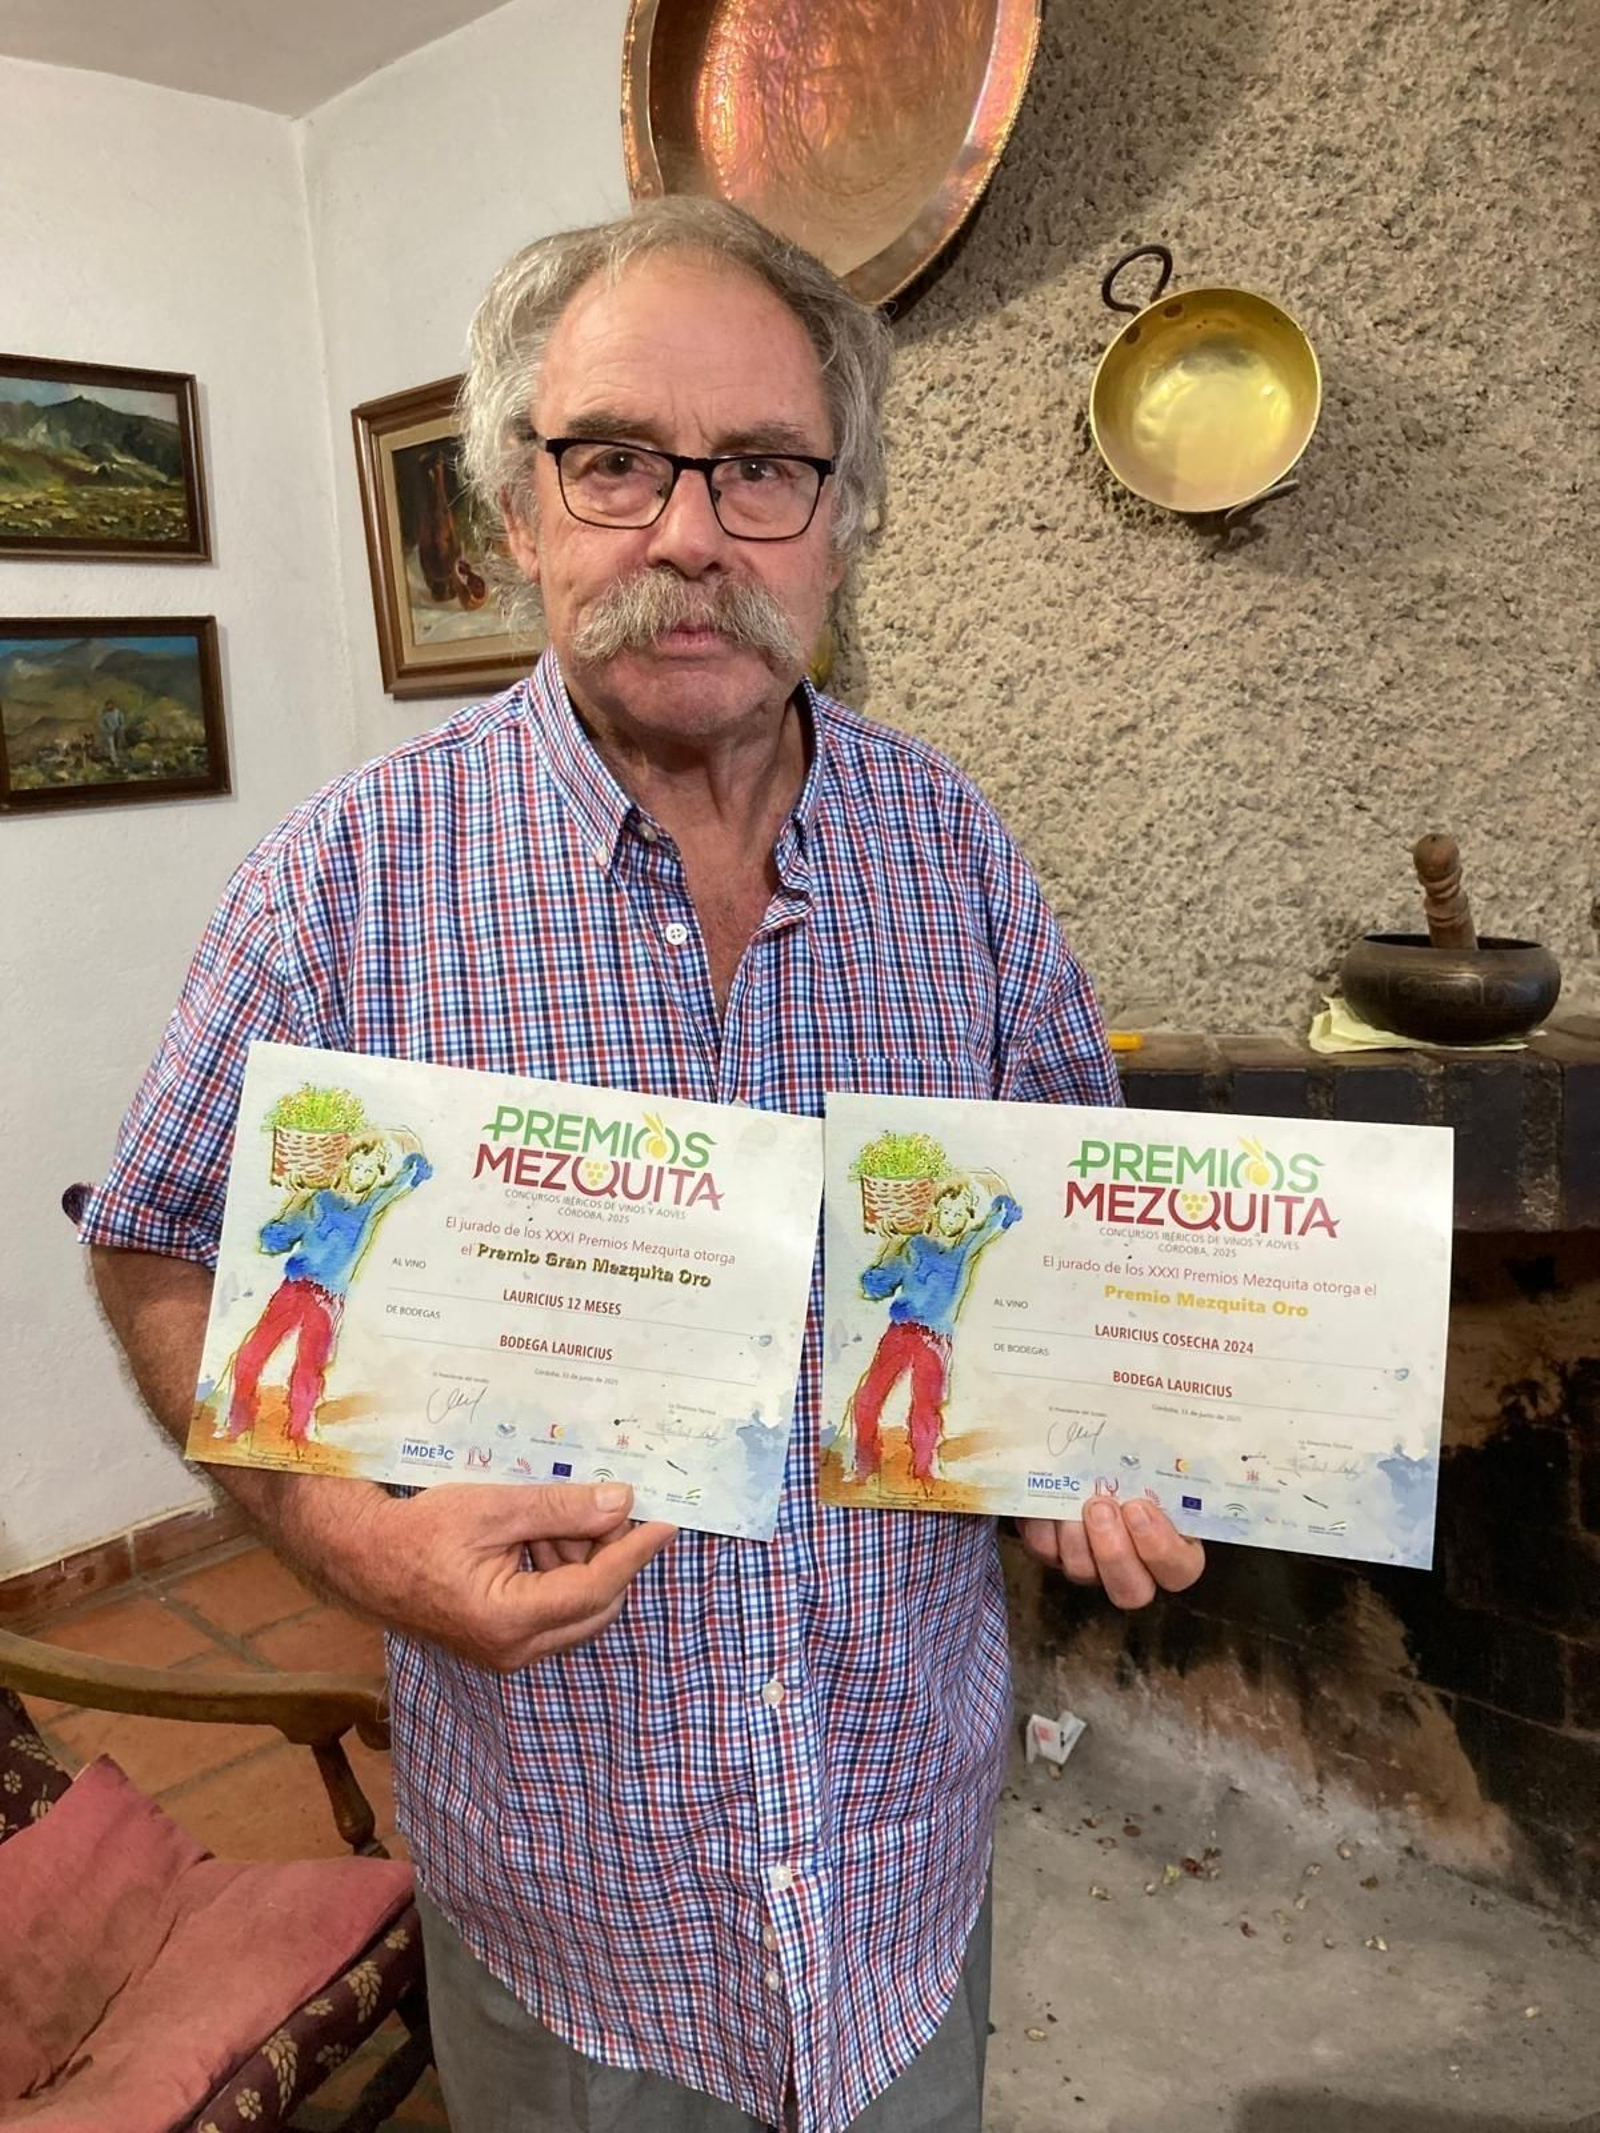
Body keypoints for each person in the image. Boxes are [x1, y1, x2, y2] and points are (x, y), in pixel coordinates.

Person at [82, 197, 1205, 2133]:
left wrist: (1089, 1447)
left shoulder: (962, 860)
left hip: (896, 1865)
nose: (687, 531)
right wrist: (352, 1539)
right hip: (564, 1898)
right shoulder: (340, 887)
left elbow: (1061, 1290)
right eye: (615, 460)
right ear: (516, 510)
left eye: (761, 467)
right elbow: (168, 1248)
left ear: (843, 521)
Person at [222, 1133, 433, 1445]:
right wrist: (294, 1201)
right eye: (357, 1167)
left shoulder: (369, 1209)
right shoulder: (320, 1201)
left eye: (369, 1170)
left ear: (377, 1177)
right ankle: (238, 1420)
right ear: (346, 1166)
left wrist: (409, 1142)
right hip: (293, 1288)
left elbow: (417, 1172)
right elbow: (273, 1241)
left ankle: (299, 1430)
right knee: (253, 1352)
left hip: (327, 1299)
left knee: (310, 1365)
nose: (361, 1175)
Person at [850, 1177, 1021, 1482]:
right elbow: (875, 1286)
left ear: (968, 1218)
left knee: (926, 1406)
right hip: (899, 1332)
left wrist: (990, 1180)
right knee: (868, 1397)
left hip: (935, 1341)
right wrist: (891, 1244)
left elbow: (1005, 1214)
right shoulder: (914, 1246)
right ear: (936, 1211)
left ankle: (924, 1468)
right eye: (947, 1211)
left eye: (959, 1214)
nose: (951, 1218)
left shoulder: (966, 1250)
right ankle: (864, 1463)